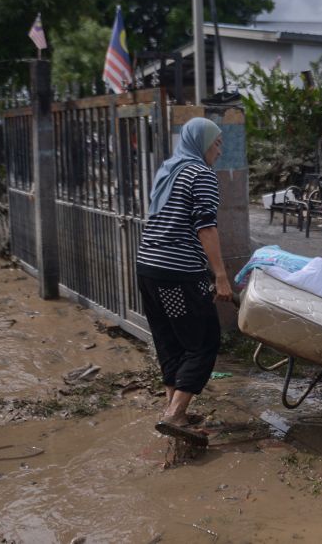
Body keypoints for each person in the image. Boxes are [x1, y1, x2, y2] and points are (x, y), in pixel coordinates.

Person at [136, 117, 233, 440]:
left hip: (148, 269)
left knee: (170, 341)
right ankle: (175, 414)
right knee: (203, 342)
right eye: (216, 143)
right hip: (177, 274)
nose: (220, 150)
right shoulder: (200, 174)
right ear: (201, 142)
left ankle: (172, 411)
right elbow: (205, 226)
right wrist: (220, 276)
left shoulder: (169, 169)